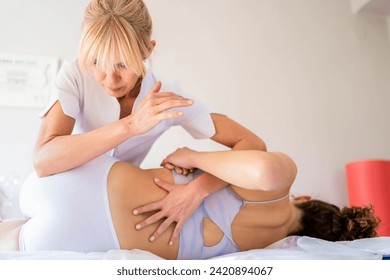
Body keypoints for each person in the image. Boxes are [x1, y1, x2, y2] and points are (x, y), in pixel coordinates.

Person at [31, 0, 266, 244]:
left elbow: (253, 145)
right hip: (59, 196)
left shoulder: (165, 96)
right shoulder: (75, 76)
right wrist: (131, 125)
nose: (110, 79)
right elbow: (43, 161)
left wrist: (198, 190)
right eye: (96, 62)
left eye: (122, 64)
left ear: (147, 50)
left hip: (113, 212)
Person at [0, 148, 380, 259]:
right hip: (76, 237)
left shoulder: (276, 195)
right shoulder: (260, 248)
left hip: (82, 184)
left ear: (305, 199)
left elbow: (265, 168)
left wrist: (194, 156)